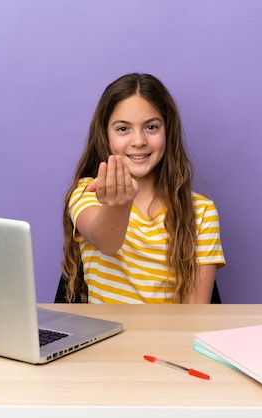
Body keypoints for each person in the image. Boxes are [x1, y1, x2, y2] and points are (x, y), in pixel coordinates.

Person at [61, 73, 225, 304]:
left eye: (151, 127)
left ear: (168, 132)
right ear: (105, 135)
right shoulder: (88, 192)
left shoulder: (202, 212)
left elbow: (195, 315)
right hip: (107, 339)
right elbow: (106, 241)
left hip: (169, 339)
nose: (138, 141)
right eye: (123, 129)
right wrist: (120, 203)